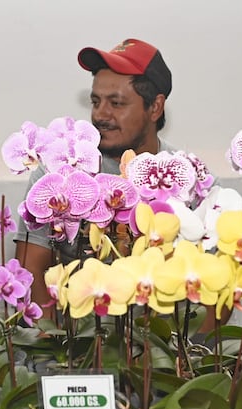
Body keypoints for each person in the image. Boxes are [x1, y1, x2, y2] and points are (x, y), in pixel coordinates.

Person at [14, 38, 176, 317]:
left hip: (162, 347)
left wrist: (189, 355)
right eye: (95, 101)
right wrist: (53, 350)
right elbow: (31, 272)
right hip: (79, 347)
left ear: (155, 107)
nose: (100, 114)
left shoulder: (183, 176)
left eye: (116, 102)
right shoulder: (58, 174)